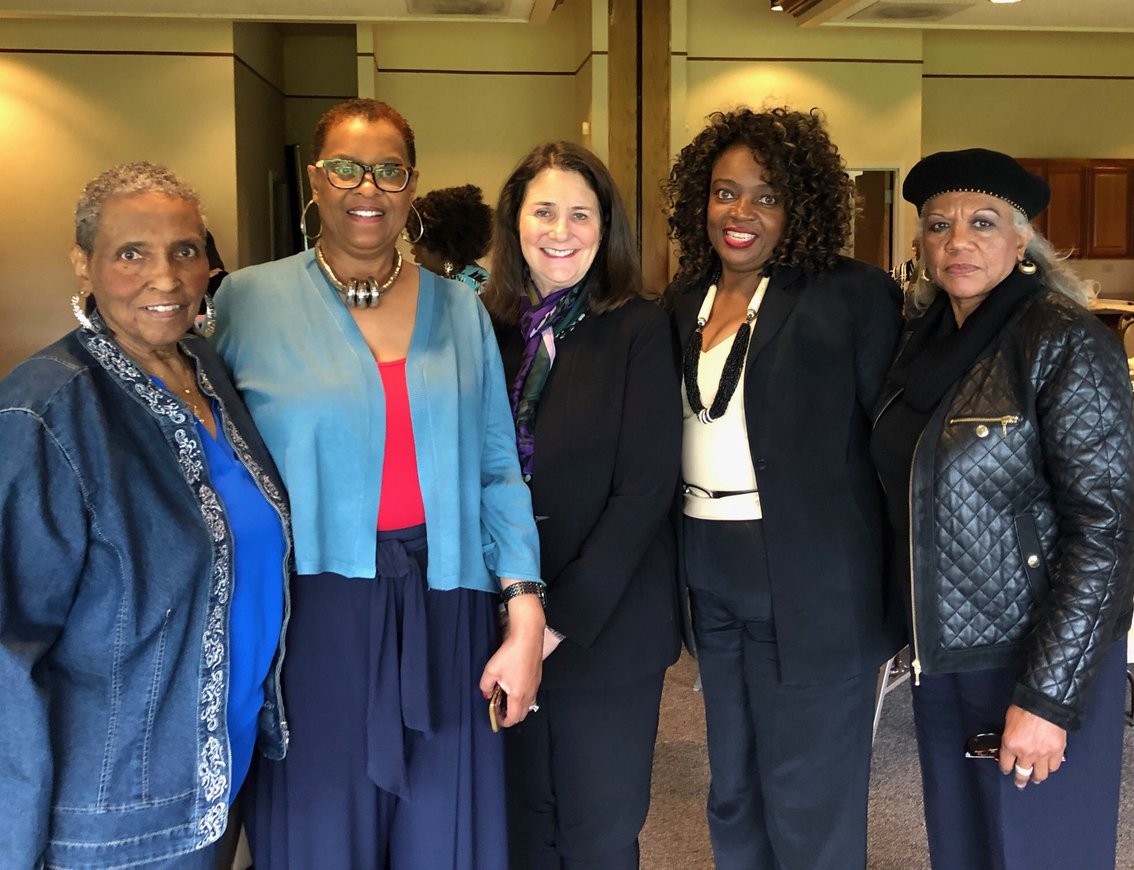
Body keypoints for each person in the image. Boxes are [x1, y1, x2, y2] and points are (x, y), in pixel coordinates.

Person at [213, 97, 544, 870]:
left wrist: (524, 610)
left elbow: (498, 468)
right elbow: (217, 458)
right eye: (346, 168)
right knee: (320, 835)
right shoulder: (249, 303)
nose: (368, 187)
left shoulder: (460, 310)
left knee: (445, 836)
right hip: (310, 617)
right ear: (315, 180)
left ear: (411, 184)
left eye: (389, 170)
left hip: (446, 604)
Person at [0, 162, 290, 869]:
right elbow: (8, 650)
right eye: (132, 253)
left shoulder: (205, 370)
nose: (166, 277)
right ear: (84, 263)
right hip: (113, 814)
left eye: (185, 250)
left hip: (219, 775)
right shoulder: (44, 412)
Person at [871, 148, 1134, 869]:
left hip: (1032, 651)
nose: (958, 242)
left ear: (1022, 242)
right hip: (945, 648)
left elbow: (1103, 532)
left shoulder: (1063, 339)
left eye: (982, 223)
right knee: (962, 845)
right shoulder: (923, 341)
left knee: (1041, 850)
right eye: (939, 225)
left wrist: (1048, 697)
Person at [663, 107, 903, 869]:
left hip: (812, 575)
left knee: (808, 792)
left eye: (766, 196)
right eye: (725, 192)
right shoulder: (685, 298)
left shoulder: (851, 295)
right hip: (709, 568)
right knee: (733, 784)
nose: (741, 213)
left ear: (801, 206)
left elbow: (893, 442)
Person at [484, 141, 682, 869]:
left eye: (580, 214)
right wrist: (516, 618)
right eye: (543, 211)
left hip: (606, 626)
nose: (560, 231)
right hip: (499, 616)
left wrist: (550, 625)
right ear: (515, 222)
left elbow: (644, 491)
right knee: (520, 826)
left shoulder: (638, 327)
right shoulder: (487, 330)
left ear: (606, 228)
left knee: (597, 831)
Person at [406, 183, 493, 293]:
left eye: (419, 243)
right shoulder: (475, 278)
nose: (413, 250)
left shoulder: (463, 287)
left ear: (445, 248)